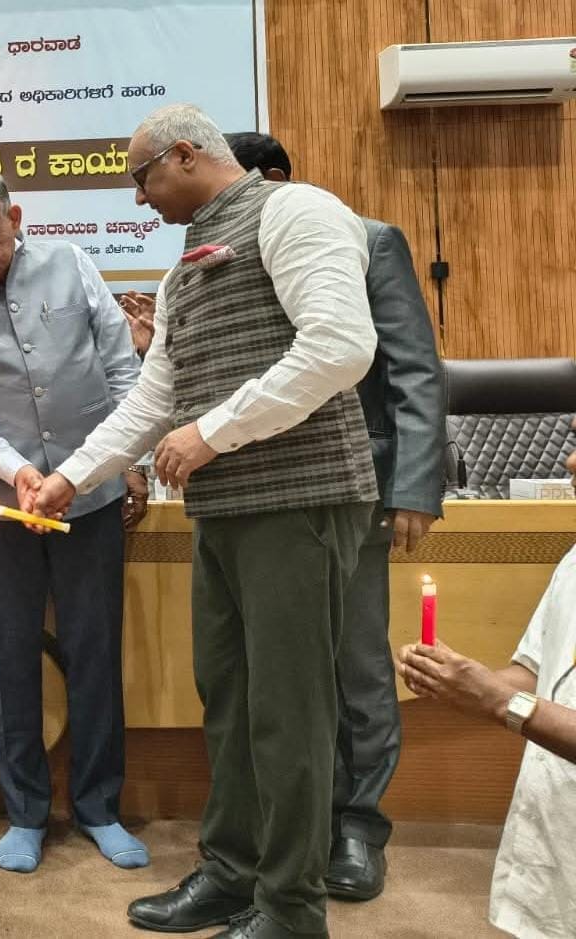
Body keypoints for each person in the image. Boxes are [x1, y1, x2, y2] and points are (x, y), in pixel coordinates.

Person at [33, 103, 379, 939]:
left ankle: (291, 908)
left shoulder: (296, 211)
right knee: (228, 701)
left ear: (184, 155)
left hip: (299, 500)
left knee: (288, 711)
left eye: (142, 178)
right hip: (224, 511)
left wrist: (212, 431)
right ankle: (232, 872)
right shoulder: (184, 268)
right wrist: (72, 477)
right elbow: (152, 401)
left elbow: (340, 346)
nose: (139, 198)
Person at [216, 131, 444, 901]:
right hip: (263, 491)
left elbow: (413, 369)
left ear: (275, 177)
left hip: (358, 488)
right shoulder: (227, 253)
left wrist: (413, 486)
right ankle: (297, 825)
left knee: (356, 665)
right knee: (281, 675)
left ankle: (359, 827)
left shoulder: (369, 240)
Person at [0, 171, 148, 874]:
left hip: (91, 498)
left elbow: (123, 374)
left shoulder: (73, 264)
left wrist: (118, 464)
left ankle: (99, 807)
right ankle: (25, 813)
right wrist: (19, 470)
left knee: (94, 654)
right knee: (9, 659)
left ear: (15, 218)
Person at [397, 450, 576, 939]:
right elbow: (535, 674)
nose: (570, 461)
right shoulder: (572, 562)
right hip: (552, 845)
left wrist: (497, 701)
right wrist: (461, 683)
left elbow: (511, 701)